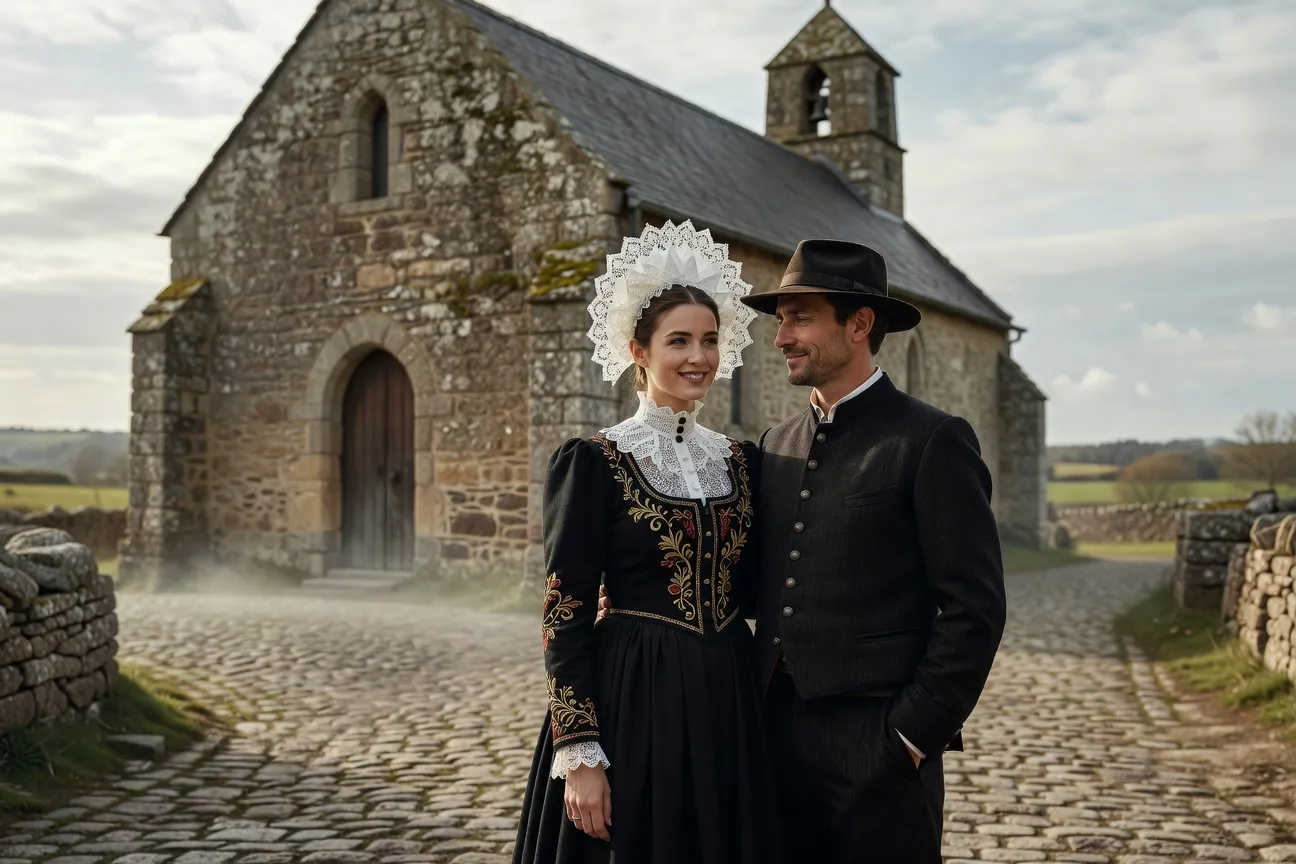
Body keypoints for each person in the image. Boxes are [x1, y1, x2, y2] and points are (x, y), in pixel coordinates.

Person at [511, 220, 781, 864]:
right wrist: (579, 755)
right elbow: (563, 612)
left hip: (727, 698)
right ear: (639, 351)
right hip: (634, 694)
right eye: (679, 340)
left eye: (711, 340)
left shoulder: (741, 461)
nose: (699, 357)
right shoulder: (596, 461)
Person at [737, 239, 1008, 863]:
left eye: (801, 318)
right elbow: (760, 582)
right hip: (773, 740)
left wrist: (912, 735)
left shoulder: (931, 439)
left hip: (879, 749)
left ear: (859, 324)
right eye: (781, 321)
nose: (781, 338)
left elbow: (974, 608)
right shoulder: (777, 442)